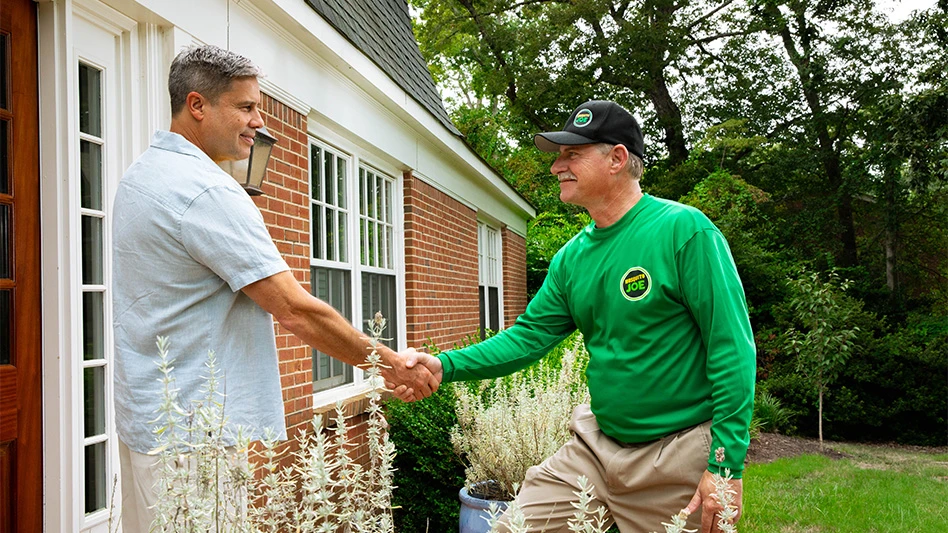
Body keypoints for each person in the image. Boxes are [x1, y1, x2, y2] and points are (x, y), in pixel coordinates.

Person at [112, 45, 437, 532]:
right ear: (197, 105)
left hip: (150, 424)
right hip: (195, 442)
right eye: (245, 107)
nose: (259, 122)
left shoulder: (142, 175)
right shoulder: (205, 190)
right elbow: (293, 310)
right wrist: (390, 365)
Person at [408, 100, 755, 533]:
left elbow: (731, 348)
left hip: (677, 452)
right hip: (596, 447)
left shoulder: (683, 231)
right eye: (559, 155)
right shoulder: (572, 258)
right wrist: (444, 365)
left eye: (572, 154)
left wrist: (724, 465)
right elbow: (528, 338)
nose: (557, 166)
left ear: (617, 158)